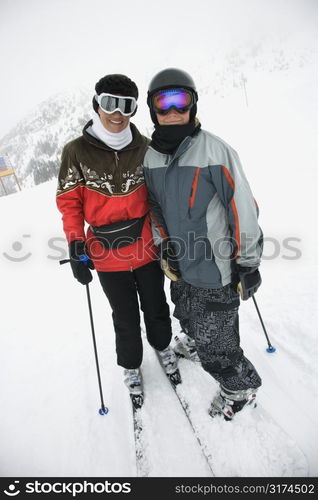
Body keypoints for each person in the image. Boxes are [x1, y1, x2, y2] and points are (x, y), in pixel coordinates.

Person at [143, 68, 263, 420]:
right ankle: (194, 340)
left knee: (219, 345)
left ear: (193, 103)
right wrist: (164, 245)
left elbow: (244, 208)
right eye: (162, 103)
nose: (172, 111)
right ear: (153, 110)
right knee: (185, 314)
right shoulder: (151, 158)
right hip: (182, 265)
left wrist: (249, 262)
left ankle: (239, 387)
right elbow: (154, 206)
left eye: (180, 100)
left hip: (217, 268)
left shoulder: (216, 151)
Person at [56, 74, 179, 409]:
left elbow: (158, 195)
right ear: (97, 104)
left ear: (134, 110)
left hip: (146, 247)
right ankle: (131, 366)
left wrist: (167, 237)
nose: (117, 113)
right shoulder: (75, 152)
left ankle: (164, 347)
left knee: (156, 307)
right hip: (106, 253)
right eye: (110, 103)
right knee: (124, 316)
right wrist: (75, 243)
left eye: (127, 106)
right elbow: (70, 202)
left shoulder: (145, 147)